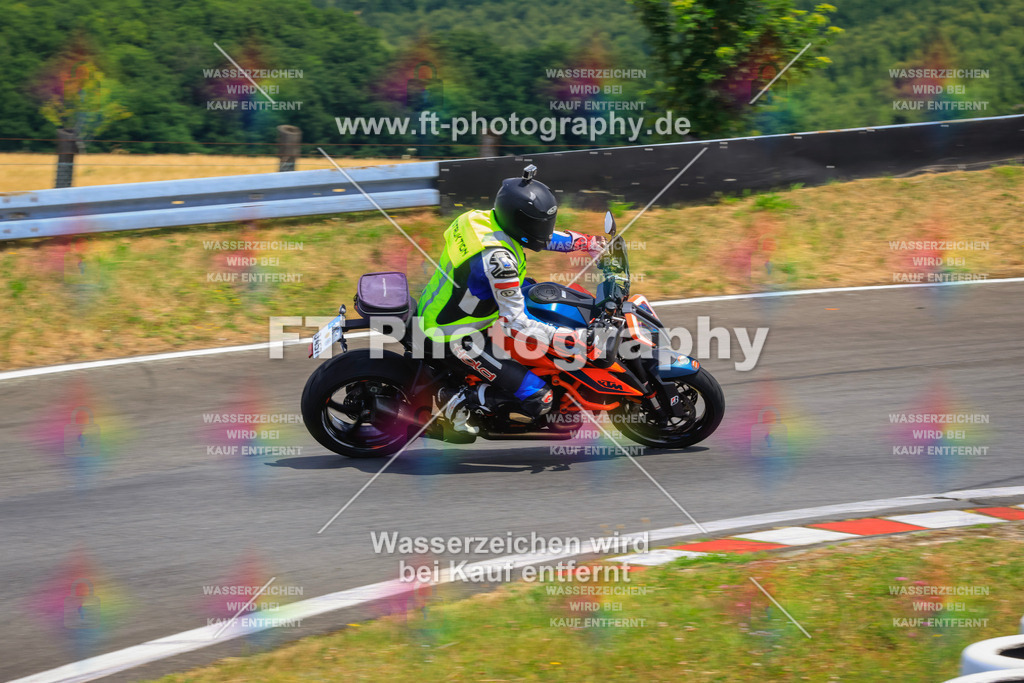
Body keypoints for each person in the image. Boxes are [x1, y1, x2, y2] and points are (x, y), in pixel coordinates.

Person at [417, 165, 607, 433]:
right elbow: (515, 322)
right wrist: (571, 340)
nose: (545, 230)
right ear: (519, 221)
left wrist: (585, 243)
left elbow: (539, 237)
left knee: (537, 296)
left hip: (444, 306)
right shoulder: (500, 262)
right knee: (540, 397)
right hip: (454, 335)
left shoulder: (476, 219)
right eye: (538, 223)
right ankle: (459, 401)